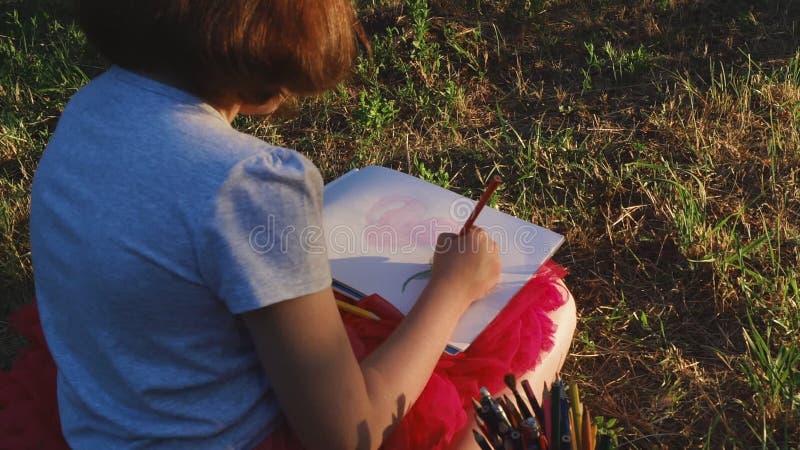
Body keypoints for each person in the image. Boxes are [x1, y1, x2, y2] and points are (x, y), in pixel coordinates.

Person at [29, 1, 501, 449]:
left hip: (103, 422)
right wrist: (453, 289)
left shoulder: (89, 106)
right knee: (525, 356)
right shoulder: (251, 182)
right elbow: (347, 435)